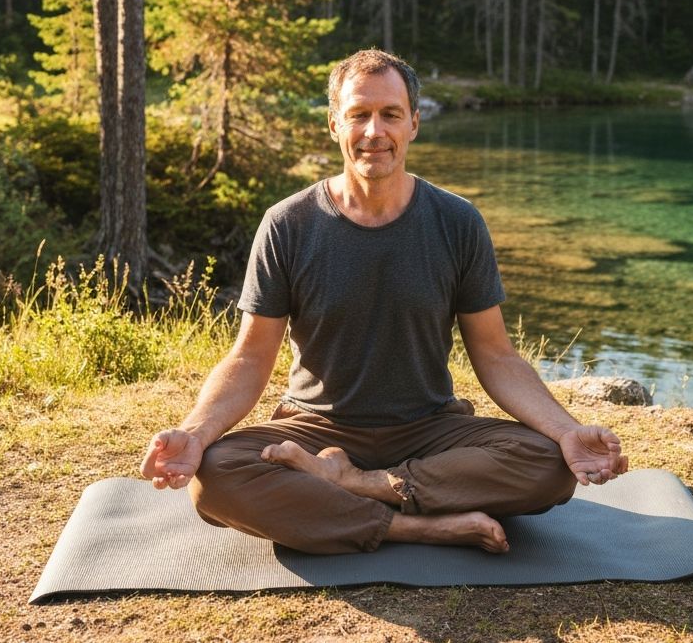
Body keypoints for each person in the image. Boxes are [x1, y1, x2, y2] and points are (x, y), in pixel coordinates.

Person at [141, 49, 628, 555]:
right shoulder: (288, 224)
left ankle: (355, 486)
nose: (374, 131)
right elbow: (249, 358)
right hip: (316, 428)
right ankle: (417, 525)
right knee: (216, 473)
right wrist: (195, 434)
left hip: (430, 428)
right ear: (334, 124)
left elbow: (497, 355)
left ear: (413, 122)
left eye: (390, 114)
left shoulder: (457, 222)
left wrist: (567, 431)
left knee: (549, 464)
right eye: (359, 115)